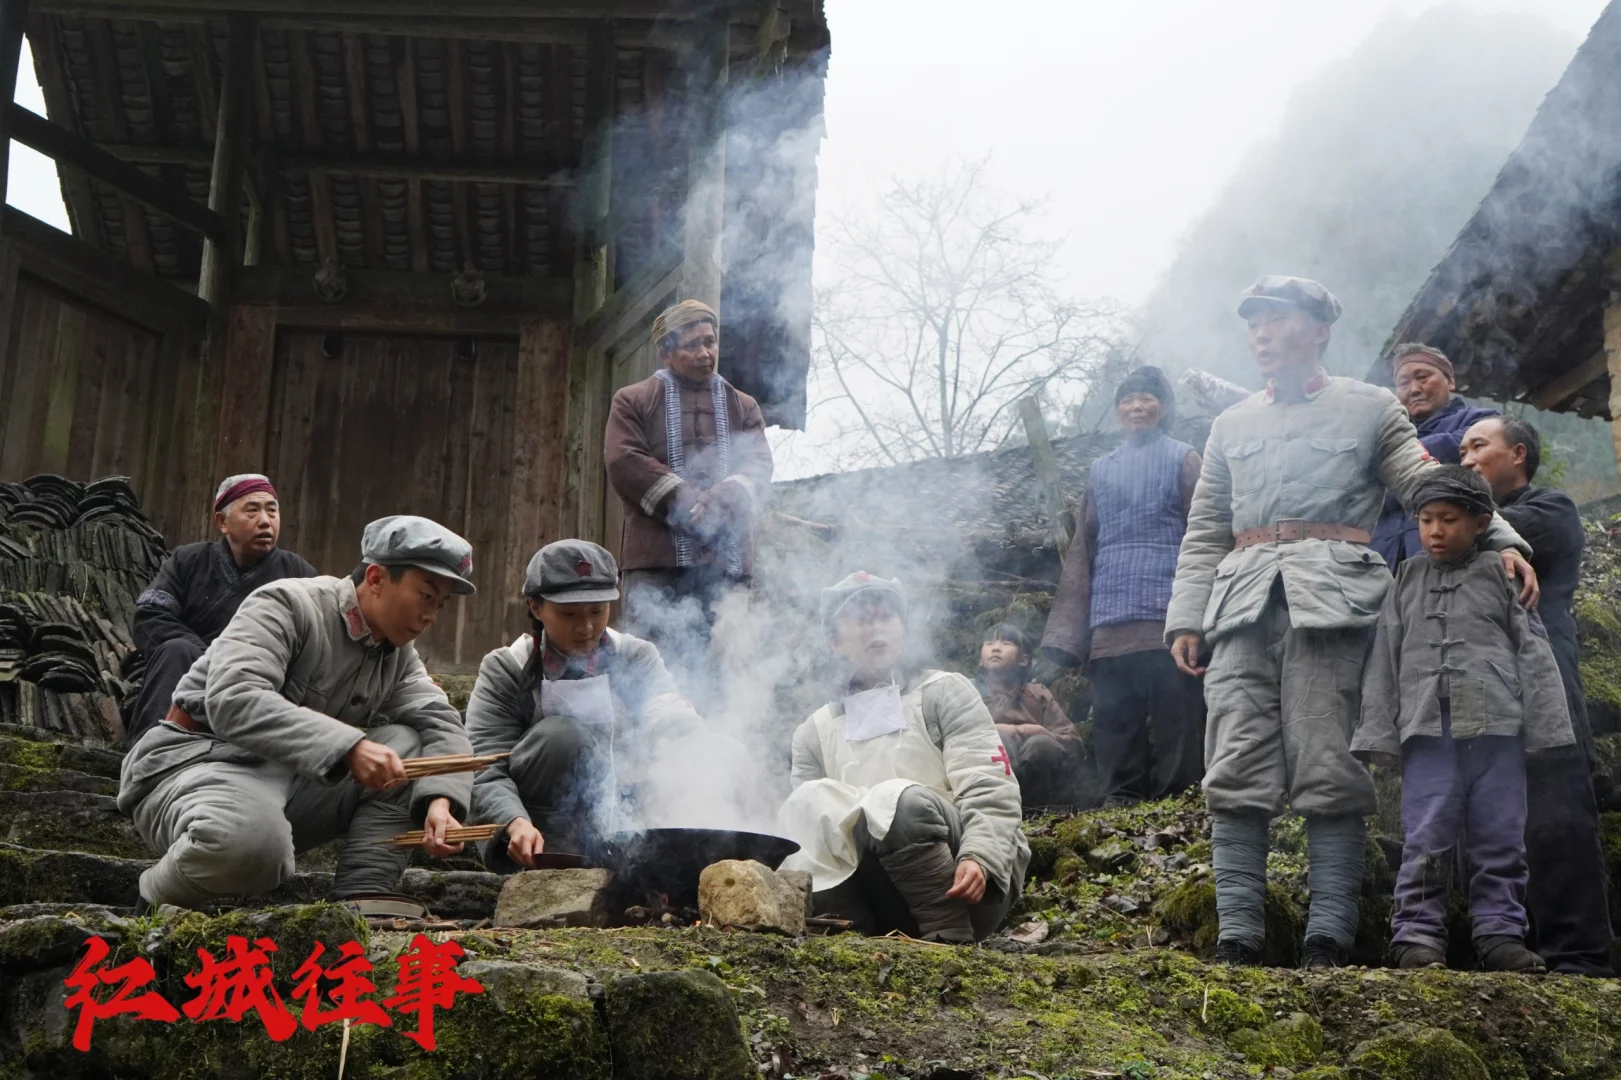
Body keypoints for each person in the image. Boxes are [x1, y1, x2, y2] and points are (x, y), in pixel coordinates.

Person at [1165, 275, 1537, 970]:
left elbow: (1429, 481)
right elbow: (1205, 526)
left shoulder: (1369, 409)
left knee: (1328, 761)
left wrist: (1501, 540)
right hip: (1239, 606)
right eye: (1254, 324)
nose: (1262, 335)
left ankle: (1328, 937)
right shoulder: (1229, 424)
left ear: (1317, 330)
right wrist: (1186, 616)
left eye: (1276, 321)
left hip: (1332, 605)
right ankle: (1237, 936)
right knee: (1234, 760)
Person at [116, 515, 478, 916]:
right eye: (426, 596)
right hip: (198, 762)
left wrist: (442, 799)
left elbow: (442, 722)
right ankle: (152, 896)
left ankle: (366, 894)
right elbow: (234, 699)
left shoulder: (398, 657)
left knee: (410, 747)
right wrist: (349, 745)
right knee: (254, 849)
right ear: (375, 578)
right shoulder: (287, 604)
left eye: (440, 604)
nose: (432, 617)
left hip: (286, 784)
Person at [1353, 466, 1573, 973]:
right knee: (1426, 835)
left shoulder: (1504, 572)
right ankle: (1416, 936)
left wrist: (1546, 730)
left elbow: (1534, 653)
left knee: (1499, 835)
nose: (1434, 531)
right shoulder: (1405, 578)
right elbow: (1384, 659)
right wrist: (1379, 735)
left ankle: (1500, 935)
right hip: (1427, 734)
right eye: (1426, 519)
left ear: (1480, 522)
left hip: (1498, 731)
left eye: (1448, 519)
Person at [777, 572, 1030, 943]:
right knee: (803, 805)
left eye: (886, 617)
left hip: (968, 882)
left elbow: (989, 785)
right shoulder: (812, 732)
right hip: (881, 896)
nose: (876, 628)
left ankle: (948, 936)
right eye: (862, 620)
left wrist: (980, 857)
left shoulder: (944, 692)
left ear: (904, 629)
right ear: (834, 640)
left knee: (895, 799)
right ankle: (849, 936)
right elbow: (810, 837)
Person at [1460, 416, 1616, 975]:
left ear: (1518, 453)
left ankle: (1582, 959)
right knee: (1491, 817)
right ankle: (1507, 945)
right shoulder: (1464, 522)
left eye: (1480, 446)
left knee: (1557, 813)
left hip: (1546, 676)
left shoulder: (1551, 512)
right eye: (1462, 450)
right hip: (1479, 682)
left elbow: (1470, 533)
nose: (1468, 459)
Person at [466, 539, 705, 871]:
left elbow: (664, 710)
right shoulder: (506, 669)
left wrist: (687, 736)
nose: (587, 627)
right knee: (562, 737)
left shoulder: (635, 657)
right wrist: (513, 821)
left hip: (624, 816)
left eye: (598, 611)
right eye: (569, 614)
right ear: (536, 607)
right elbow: (483, 764)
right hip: (533, 831)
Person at [1040, 365, 1206, 807]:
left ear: (1163, 408)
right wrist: (1069, 631)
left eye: (1146, 398)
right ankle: (1121, 795)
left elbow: (1207, 531)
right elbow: (1082, 548)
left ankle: (1181, 794)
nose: (1136, 406)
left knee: (1179, 709)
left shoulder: (1185, 458)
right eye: (1128, 399)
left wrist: (1207, 609)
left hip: (1170, 609)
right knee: (1115, 713)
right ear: (1117, 412)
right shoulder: (1100, 470)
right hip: (1111, 612)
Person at [604, 300, 774, 702]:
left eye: (710, 342)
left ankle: (718, 754)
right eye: (692, 345)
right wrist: (685, 500)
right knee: (653, 670)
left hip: (727, 568)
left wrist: (723, 499)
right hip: (656, 564)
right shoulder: (632, 400)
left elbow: (759, 466)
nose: (704, 353)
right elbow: (623, 459)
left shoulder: (744, 407)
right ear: (665, 351)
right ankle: (651, 758)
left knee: (725, 672)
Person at [125, 475, 317, 748]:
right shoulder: (188, 561)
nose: (265, 520)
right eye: (252, 510)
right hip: (190, 673)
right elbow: (150, 616)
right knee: (175, 650)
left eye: (272, 510)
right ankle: (150, 753)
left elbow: (316, 643)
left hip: (260, 682)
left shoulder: (299, 575)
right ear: (222, 522)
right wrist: (209, 659)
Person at [1371, 345, 1499, 568]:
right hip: (1380, 563)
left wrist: (1388, 456)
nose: (1414, 389)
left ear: (1450, 381)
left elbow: (1453, 448)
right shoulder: (1384, 434)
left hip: (1451, 563)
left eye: (1423, 377)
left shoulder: (1482, 421)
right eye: (1403, 384)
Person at [974, 623, 1082, 808]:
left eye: (1007, 643)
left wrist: (1039, 732)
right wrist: (1004, 732)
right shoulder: (968, 692)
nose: (996, 648)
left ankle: (1036, 812)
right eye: (989, 643)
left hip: (1036, 779)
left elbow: (1073, 743)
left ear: (1023, 659)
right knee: (998, 740)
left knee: (1040, 744)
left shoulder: (1038, 693)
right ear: (980, 659)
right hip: (986, 779)